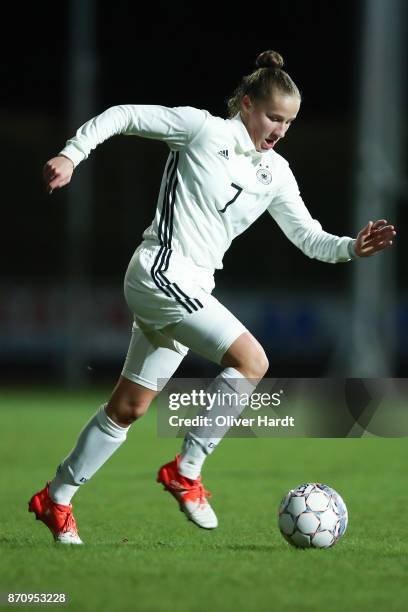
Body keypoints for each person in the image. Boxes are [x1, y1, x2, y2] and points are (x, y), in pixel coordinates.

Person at [29, 50, 396, 544]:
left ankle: (55, 498)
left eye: (288, 122)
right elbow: (125, 116)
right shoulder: (202, 130)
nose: (280, 129)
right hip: (159, 269)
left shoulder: (275, 173)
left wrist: (353, 246)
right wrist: (73, 153)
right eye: (273, 116)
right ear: (246, 104)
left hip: (190, 287)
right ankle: (186, 471)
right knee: (251, 360)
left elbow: (309, 237)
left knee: (130, 408)